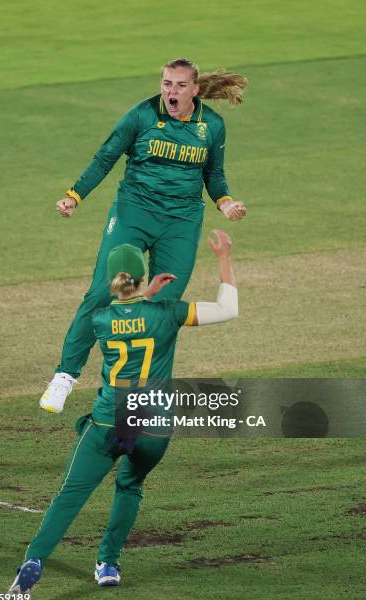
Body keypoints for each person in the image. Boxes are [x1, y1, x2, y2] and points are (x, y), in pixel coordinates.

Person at [8, 230, 238, 600]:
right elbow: (228, 310)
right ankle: (108, 564)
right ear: (145, 277)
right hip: (152, 427)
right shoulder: (169, 312)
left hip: (109, 422)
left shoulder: (100, 319)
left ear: (113, 281)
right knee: (130, 485)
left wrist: (140, 297)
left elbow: (125, 315)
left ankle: (32, 561)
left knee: (69, 496)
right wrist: (223, 257)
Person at [39, 57, 247, 414]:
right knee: (104, 291)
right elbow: (105, 157)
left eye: (180, 85)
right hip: (134, 212)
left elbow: (214, 175)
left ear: (195, 90)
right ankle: (65, 377)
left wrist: (225, 203)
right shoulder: (141, 116)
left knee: (163, 308)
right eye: (166, 84)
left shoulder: (212, 125)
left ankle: (144, 390)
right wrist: (74, 196)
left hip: (180, 222)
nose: (171, 91)